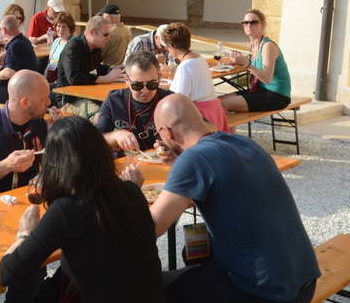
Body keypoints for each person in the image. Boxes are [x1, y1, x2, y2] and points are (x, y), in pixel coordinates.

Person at [122, 94, 320, 303]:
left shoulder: (193, 159)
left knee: (143, 289)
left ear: (168, 132)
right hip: (304, 283)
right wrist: (179, 163)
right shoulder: (244, 142)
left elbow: (149, 229)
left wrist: (131, 189)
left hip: (261, 293)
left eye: (158, 133)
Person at [0, 116, 164, 303]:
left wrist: (24, 233)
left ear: (55, 163)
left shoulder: (66, 210)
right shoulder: (132, 191)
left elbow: (6, 274)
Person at [96, 51, 174, 152]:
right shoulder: (114, 101)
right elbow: (96, 140)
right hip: (126, 159)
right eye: (137, 85)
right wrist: (116, 136)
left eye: (151, 84)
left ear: (159, 79)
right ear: (126, 80)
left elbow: (191, 138)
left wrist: (174, 149)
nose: (145, 91)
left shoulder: (171, 101)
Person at [220, 9, 291, 120]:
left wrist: (245, 62)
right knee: (216, 101)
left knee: (221, 105)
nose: (249, 25)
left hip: (277, 95)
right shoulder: (254, 45)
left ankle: (227, 131)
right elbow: (255, 68)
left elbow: (267, 79)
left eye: (254, 22)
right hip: (261, 91)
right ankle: (228, 130)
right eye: (246, 22)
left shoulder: (268, 46)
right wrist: (240, 62)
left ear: (263, 25)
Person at [161, 22, 229, 133]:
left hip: (201, 117)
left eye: (166, 47)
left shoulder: (185, 66)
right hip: (214, 110)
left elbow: (178, 100)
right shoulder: (199, 58)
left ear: (172, 46)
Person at [55, 16, 123, 114]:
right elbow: (74, 78)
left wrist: (112, 70)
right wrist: (105, 79)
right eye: (105, 34)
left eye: (109, 34)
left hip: (88, 94)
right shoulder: (73, 47)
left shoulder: (97, 47)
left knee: (118, 106)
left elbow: (96, 68)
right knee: (100, 114)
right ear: (92, 32)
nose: (108, 38)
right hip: (70, 100)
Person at [0, 15, 38, 104]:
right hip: (28, 88)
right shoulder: (24, 41)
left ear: (4, 30)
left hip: (16, 92)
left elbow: (9, 73)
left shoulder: (14, 46)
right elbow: (11, 54)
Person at [44, 10, 75, 85]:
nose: (60, 29)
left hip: (64, 82)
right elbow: (50, 63)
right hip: (51, 79)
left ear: (70, 28)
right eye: (59, 26)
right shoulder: (56, 41)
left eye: (64, 26)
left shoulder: (73, 43)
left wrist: (54, 83)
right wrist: (45, 81)